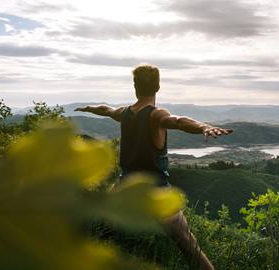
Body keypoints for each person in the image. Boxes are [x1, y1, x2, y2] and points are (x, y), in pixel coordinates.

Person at [75, 64, 232, 270]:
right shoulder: (155, 115)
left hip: (127, 186)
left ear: (135, 86)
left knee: (104, 229)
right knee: (187, 244)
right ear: (158, 87)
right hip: (156, 191)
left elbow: (105, 109)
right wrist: (204, 127)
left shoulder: (124, 113)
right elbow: (178, 121)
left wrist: (87, 108)